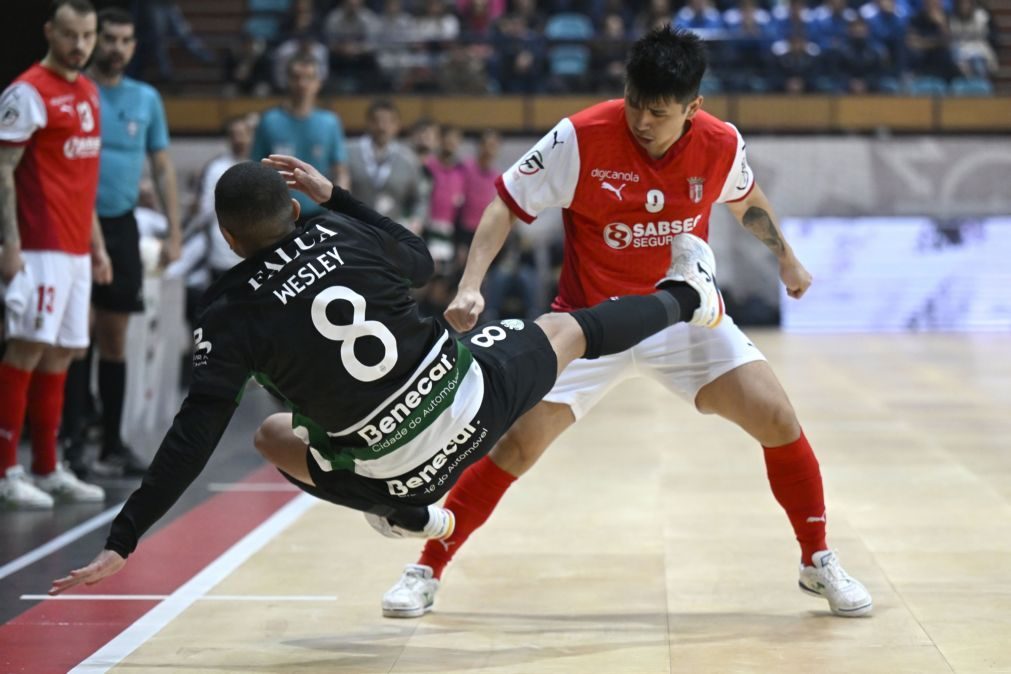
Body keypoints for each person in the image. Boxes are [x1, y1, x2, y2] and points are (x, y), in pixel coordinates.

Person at [48, 155, 723, 594]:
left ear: (228, 239)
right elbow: (423, 265)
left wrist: (124, 536)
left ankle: (399, 514)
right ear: (293, 210)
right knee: (567, 329)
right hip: (474, 406)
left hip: (399, 477)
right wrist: (335, 196)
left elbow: (193, 433)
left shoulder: (226, 314)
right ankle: (691, 297)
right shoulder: (341, 232)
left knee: (272, 435)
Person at [383, 26, 873, 620]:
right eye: (636, 103)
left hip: (685, 315)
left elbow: (746, 200)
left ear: (693, 108)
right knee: (517, 445)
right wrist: (469, 286)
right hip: (588, 325)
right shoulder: (580, 137)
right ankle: (426, 568)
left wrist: (786, 256)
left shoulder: (720, 143)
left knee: (776, 416)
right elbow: (504, 206)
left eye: (659, 112)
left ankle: (816, 559)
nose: (642, 119)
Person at [61, 7, 183, 479]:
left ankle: (112, 442)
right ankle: (73, 444)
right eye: (108, 39)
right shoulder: (76, 93)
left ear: (135, 46)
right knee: (76, 337)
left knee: (114, 337)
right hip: (72, 226)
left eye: (125, 41)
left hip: (122, 225)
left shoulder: (146, 98)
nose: (116, 48)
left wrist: (173, 231)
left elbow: (163, 166)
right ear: (95, 42)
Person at [0, 0, 111, 509]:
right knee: (26, 347)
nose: (80, 45)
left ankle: (47, 468)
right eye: (70, 34)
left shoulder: (88, 91)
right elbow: (4, 169)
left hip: (74, 251)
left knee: (63, 352)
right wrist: (10, 244)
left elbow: (83, 181)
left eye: (87, 35)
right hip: (38, 246)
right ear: (50, 31)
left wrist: (98, 248)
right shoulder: (27, 92)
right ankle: (7, 473)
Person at [250, 54, 349, 225]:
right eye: (296, 77)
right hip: (278, 214)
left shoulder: (330, 122)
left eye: (309, 78)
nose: (302, 83)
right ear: (287, 80)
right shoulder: (269, 121)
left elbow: (341, 172)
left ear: (319, 83)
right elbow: (256, 170)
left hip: (321, 213)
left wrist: (342, 209)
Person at [347, 100, 426, 233]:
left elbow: (420, 199)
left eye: (389, 121)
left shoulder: (409, 159)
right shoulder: (348, 151)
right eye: (376, 121)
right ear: (368, 123)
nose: (382, 126)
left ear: (398, 125)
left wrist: (416, 221)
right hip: (354, 229)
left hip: (391, 232)